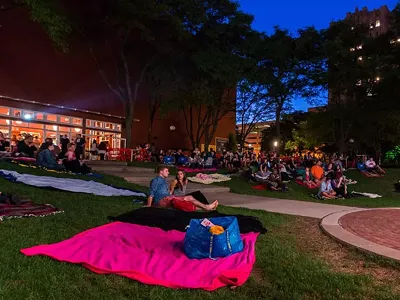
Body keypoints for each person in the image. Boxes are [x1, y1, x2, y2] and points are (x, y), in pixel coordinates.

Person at [146, 166, 218, 211]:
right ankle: (206, 207)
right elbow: (151, 194)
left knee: (189, 199)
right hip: (162, 201)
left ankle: (206, 208)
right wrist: (149, 206)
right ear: (161, 172)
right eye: (166, 171)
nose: (168, 173)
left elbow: (168, 193)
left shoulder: (164, 181)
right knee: (186, 200)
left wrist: (170, 194)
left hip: (168, 198)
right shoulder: (156, 180)